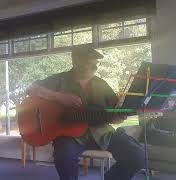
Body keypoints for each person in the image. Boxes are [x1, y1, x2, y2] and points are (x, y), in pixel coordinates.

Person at [27, 46, 145, 180]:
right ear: (76, 61)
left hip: (102, 133)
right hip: (69, 136)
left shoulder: (102, 84)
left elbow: (114, 111)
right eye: (91, 61)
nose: (95, 65)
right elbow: (31, 89)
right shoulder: (59, 80)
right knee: (64, 157)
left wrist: (118, 117)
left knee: (137, 157)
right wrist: (59, 96)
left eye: (96, 62)